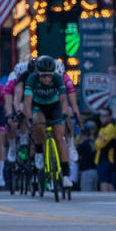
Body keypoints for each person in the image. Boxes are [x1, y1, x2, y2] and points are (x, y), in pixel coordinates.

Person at [23, 55, 73, 191]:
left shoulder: (57, 78)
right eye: (43, 76)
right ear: (38, 73)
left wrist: (64, 114)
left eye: (49, 76)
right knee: (38, 125)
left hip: (54, 105)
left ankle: (66, 175)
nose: (46, 79)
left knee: (59, 137)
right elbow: (27, 101)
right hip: (38, 106)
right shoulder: (31, 79)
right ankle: (39, 152)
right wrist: (28, 118)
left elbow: (63, 99)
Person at [94, 108, 116, 192]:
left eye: (105, 115)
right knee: (108, 183)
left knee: (103, 182)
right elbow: (96, 145)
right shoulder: (103, 129)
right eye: (101, 115)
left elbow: (99, 144)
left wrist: (98, 140)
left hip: (106, 159)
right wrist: (98, 140)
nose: (102, 118)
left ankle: (107, 203)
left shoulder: (109, 128)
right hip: (102, 159)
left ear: (110, 117)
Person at [77, 123, 98, 192]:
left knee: (86, 193)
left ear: (83, 135)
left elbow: (76, 158)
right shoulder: (95, 143)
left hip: (86, 172)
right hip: (95, 170)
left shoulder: (82, 145)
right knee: (94, 192)